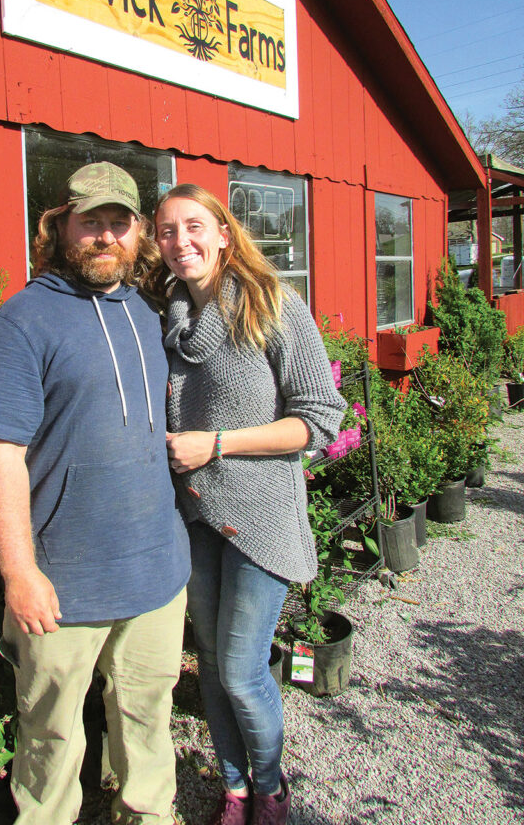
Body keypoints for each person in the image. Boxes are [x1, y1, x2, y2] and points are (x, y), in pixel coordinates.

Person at [0, 162, 190, 825]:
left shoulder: (147, 316)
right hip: (63, 586)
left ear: (138, 233)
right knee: (51, 741)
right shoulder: (22, 323)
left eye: (119, 223)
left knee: (149, 726)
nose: (105, 236)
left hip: (156, 575)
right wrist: (20, 571)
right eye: (91, 221)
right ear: (60, 224)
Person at [151, 183, 346, 825]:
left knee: (239, 669)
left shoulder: (271, 305)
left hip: (261, 517)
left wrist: (218, 444)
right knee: (208, 663)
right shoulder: (170, 321)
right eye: (167, 231)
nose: (181, 242)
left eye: (194, 226)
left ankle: (270, 786)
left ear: (225, 234)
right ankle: (233, 789)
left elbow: (318, 420)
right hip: (197, 517)